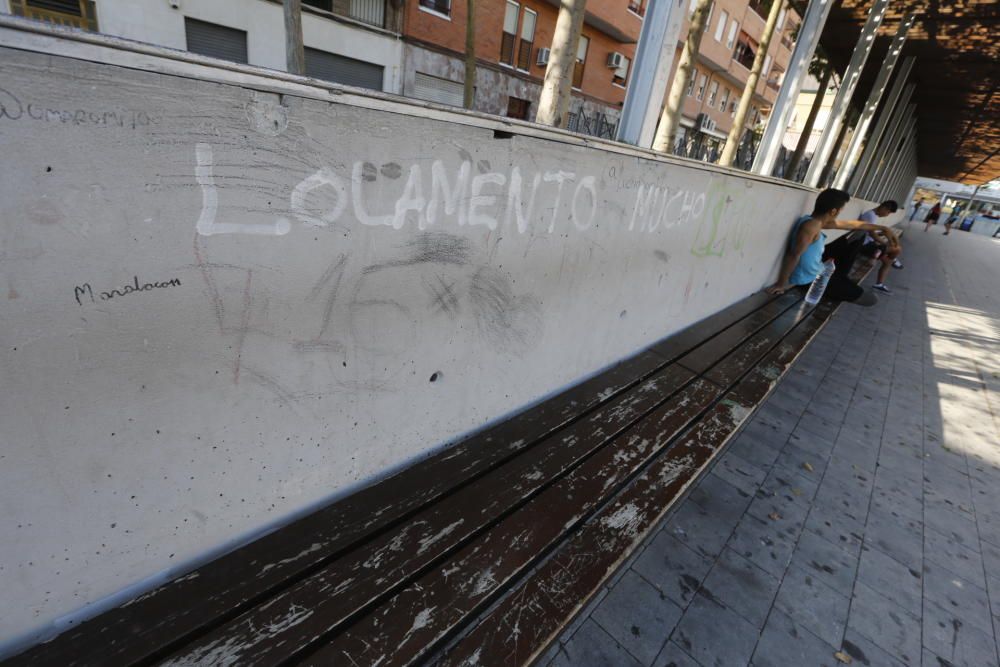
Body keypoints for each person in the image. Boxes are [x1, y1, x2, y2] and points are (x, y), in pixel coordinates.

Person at [767, 188, 900, 307]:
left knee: (848, 246)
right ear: (833, 211)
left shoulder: (816, 221)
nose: (840, 214)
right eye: (841, 210)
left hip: (820, 271)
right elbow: (793, 255)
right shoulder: (811, 226)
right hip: (810, 280)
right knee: (869, 299)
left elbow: (851, 224)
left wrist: (883, 228)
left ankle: (841, 280)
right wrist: (780, 284)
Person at [859, 200, 903, 294]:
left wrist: (883, 235)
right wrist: (884, 243)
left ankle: (879, 284)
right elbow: (871, 234)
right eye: (888, 212)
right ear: (884, 208)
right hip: (864, 245)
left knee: (887, 262)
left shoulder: (872, 215)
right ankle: (892, 259)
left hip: (869, 244)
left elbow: (870, 232)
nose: (887, 215)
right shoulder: (870, 215)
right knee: (897, 249)